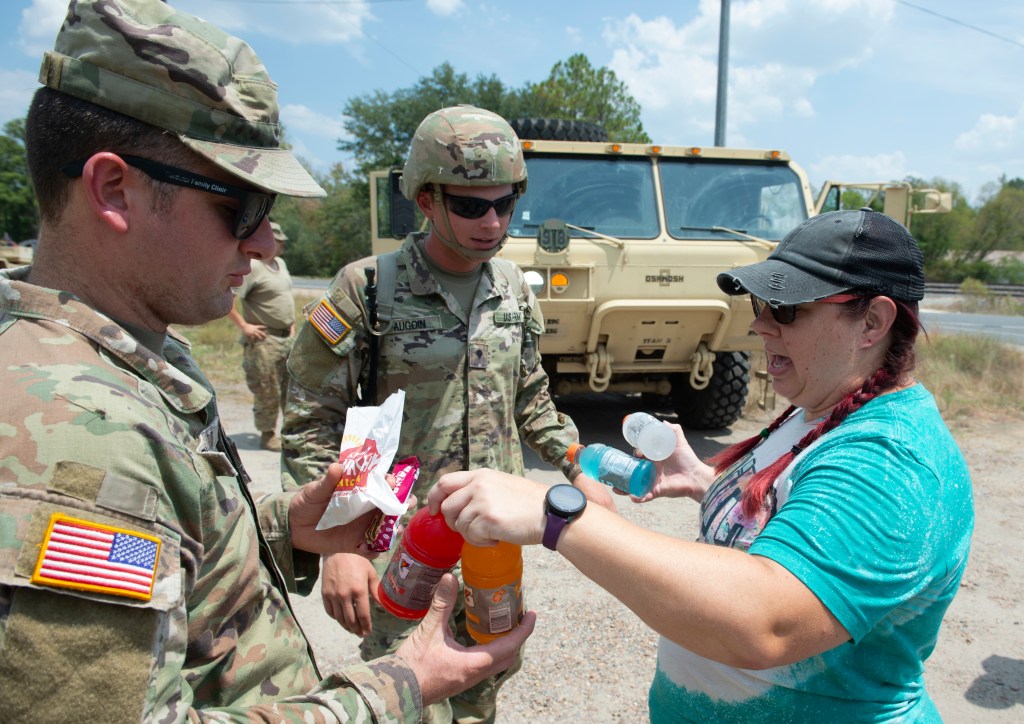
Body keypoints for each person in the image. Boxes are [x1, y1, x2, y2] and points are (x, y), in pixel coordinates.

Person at [0, 1, 533, 721]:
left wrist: (280, 529)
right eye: (243, 205)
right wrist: (397, 686)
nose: (265, 246)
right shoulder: (77, 439)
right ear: (114, 189)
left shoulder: (130, 365)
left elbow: (172, 571)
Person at [428, 208, 975, 721]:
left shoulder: (890, 462)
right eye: (759, 307)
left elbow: (764, 622)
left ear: (872, 323)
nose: (762, 327)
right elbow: (792, 511)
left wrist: (559, 518)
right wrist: (707, 483)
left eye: (785, 310)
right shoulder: (821, 409)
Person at [282, 104, 610, 723]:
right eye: (470, 205)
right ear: (426, 199)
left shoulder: (512, 286)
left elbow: (531, 398)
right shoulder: (367, 288)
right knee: (404, 690)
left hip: (492, 538)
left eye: (505, 203)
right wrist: (337, 546)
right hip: (401, 544)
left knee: (486, 673)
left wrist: (577, 464)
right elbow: (309, 422)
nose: (492, 221)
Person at [228, 220, 295, 451]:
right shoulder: (254, 267)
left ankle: (290, 432)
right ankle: (267, 435)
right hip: (264, 339)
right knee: (267, 389)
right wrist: (245, 326)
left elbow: (283, 297)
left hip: (286, 338)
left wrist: (291, 325)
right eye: (276, 240)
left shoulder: (281, 264)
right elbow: (230, 298)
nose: (279, 244)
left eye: (280, 241)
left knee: (290, 389)